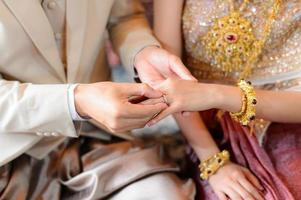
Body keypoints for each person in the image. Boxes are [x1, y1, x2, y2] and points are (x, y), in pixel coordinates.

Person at [0, 0, 196, 199]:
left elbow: (124, 18)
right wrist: (76, 101)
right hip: (9, 157)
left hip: (96, 137)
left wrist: (142, 52)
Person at [152, 0, 301, 199]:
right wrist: (213, 163)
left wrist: (217, 95)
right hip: (204, 133)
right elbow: (170, 82)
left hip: (283, 120)